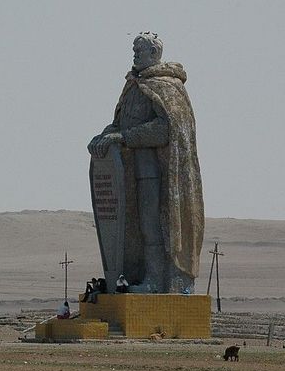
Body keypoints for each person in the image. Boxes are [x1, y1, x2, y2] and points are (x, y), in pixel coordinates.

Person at [87, 32, 204, 294]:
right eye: (134, 50)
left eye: (140, 51)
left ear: (154, 54)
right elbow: (121, 123)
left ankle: (155, 280)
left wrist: (125, 136)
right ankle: (139, 276)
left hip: (157, 173)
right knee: (138, 228)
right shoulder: (134, 86)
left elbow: (166, 128)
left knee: (152, 225)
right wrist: (106, 134)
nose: (135, 55)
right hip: (131, 170)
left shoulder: (168, 87)